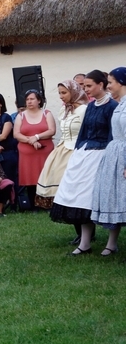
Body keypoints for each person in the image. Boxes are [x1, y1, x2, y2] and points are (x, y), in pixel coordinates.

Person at [51, 70, 117, 255]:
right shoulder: (90, 106)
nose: (85, 89)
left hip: (102, 154)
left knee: (107, 199)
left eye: (89, 86)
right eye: (84, 86)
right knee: (81, 199)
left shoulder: (112, 106)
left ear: (101, 85)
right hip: (85, 154)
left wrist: (109, 157)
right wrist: (79, 150)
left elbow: (113, 134)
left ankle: (111, 244)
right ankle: (85, 243)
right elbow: (83, 132)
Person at [35, 80, 88, 210]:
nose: (61, 96)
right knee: (54, 176)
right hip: (63, 148)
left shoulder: (84, 110)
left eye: (64, 93)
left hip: (78, 149)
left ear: (73, 92)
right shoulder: (64, 110)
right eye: (59, 93)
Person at [90, 67, 126, 255]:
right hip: (115, 154)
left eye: (111, 82)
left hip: (123, 154)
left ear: (121, 82)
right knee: (116, 199)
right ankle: (112, 244)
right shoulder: (120, 104)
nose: (108, 86)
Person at [13, 89, 56, 208]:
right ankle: (33, 205)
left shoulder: (46, 113)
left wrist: (36, 137)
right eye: (27, 99)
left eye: (32, 99)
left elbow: (52, 130)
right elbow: (16, 134)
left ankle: (47, 204)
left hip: (44, 151)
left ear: (39, 101)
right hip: (27, 153)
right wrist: (31, 141)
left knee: (46, 176)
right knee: (30, 176)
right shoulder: (21, 115)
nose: (29, 101)